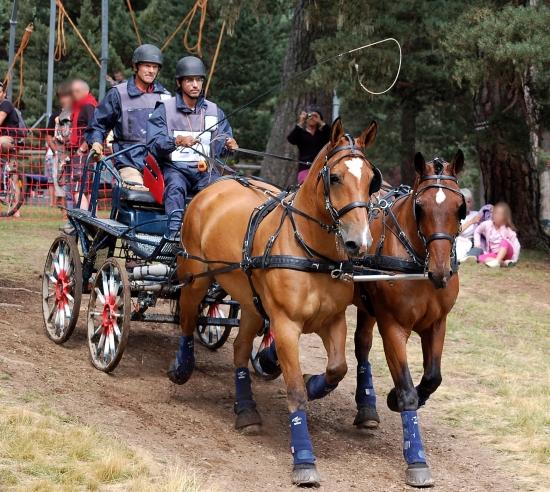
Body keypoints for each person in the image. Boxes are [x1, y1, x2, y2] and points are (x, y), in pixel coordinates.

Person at [147, 55, 238, 238]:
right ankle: (173, 236)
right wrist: (177, 141)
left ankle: (217, 235)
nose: (195, 85)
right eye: (189, 80)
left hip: (205, 171)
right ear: (179, 83)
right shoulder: (164, 109)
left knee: (224, 187)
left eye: (199, 80)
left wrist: (230, 145)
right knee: (175, 188)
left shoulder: (214, 110)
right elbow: (153, 144)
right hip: (175, 169)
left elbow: (222, 143)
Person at [86, 44, 170, 191]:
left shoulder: (166, 97)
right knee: (139, 193)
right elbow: (98, 124)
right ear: (136, 67)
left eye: (155, 67)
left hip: (160, 164)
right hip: (129, 162)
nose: (151, 71)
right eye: (147, 66)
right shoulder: (118, 94)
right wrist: (96, 142)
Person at [68, 79, 97, 211]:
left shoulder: (87, 106)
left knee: (78, 188)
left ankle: (83, 220)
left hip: (83, 151)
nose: (73, 95)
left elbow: (93, 127)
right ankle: (92, 220)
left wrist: (82, 148)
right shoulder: (85, 105)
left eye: (76, 91)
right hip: (86, 151)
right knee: (87, 189)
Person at [45, 83, 73, 207]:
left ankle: (71, 208)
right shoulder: (55, 115)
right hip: (58, 154)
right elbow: (48, 135)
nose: (64, 99)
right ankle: (62, 208)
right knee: (58, 179)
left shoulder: (76, 113)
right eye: (62, 96)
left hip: (74, 152)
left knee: (72, 180)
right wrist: (56, 150)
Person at [287, 107, 330, 184]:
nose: (312, 118)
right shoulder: (301, 134)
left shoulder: (323, 134)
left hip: (322, 168)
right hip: (305, 168)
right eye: (309, 116)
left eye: (315, 116)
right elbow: (291, 139)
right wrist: (301, 122)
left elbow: (334, 136)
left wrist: (321, 122)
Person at [473, 202, 520, 267]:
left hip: (507, 252)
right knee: (480, 258)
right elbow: (477, 231)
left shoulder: (507, 229)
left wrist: (514, 259)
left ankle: (497, 261)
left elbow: (516, 244)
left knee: (504, 242)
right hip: (495, 254)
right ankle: (502, 263)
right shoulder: (487, 224)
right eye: (495, 213)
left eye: (500, 214)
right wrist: (477, 244)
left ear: (505, 217)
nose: (496, 216)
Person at [456, 188, 481, 261]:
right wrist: (471, 221)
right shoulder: (456, 217)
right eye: (463, 202)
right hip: (457, 242)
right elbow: (456, 232)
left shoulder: (476, 214)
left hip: (470, 243)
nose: (466, 204)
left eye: (469, 201)